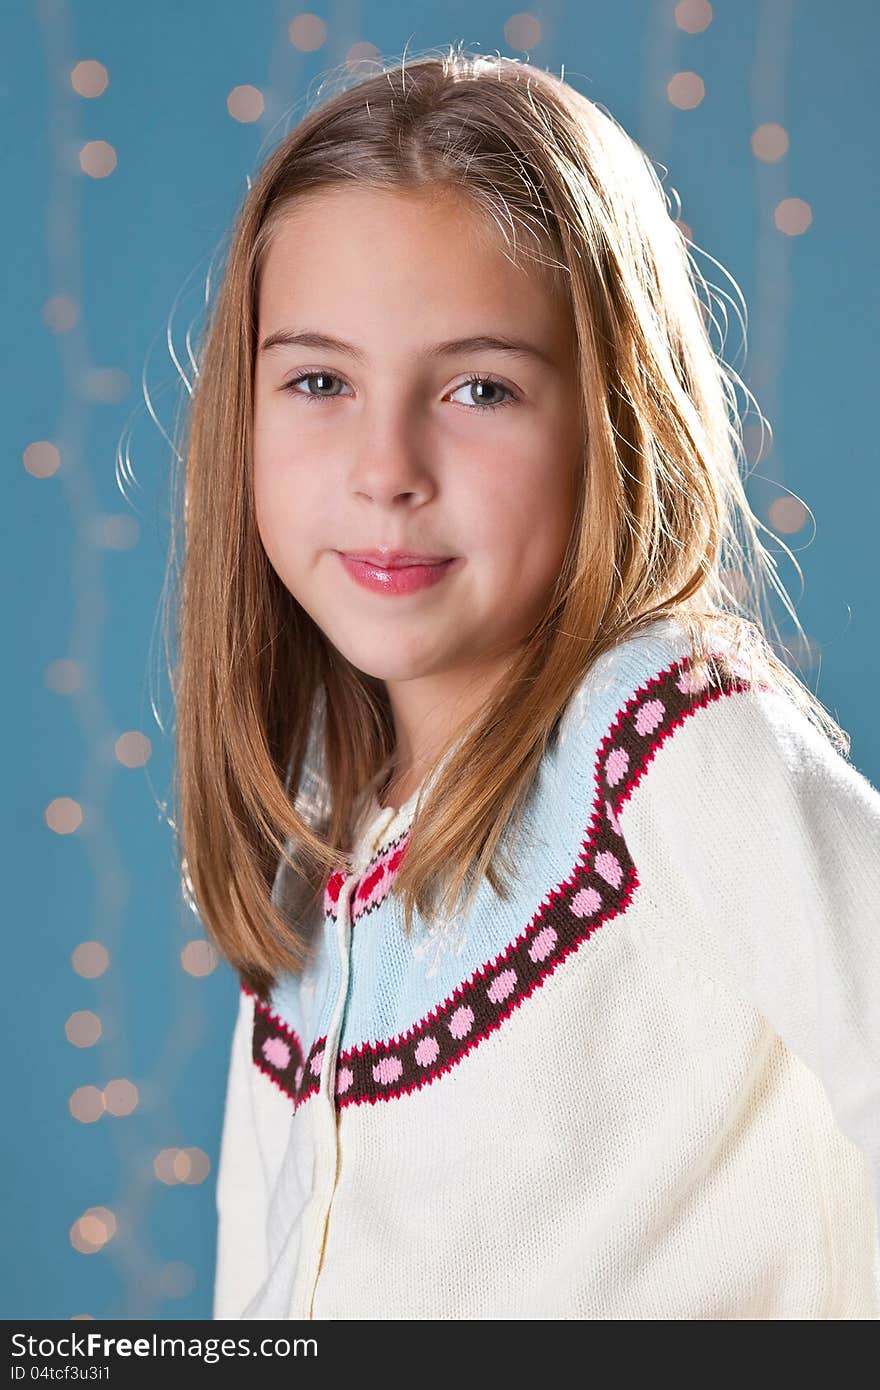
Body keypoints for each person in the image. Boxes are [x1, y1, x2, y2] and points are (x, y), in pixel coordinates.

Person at [168, 46, 880, 1319]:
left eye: (478, 387)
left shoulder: (669, 745)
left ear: (610, 422)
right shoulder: (314, 857)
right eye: (319, 381)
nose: (388, 467)